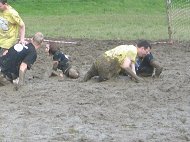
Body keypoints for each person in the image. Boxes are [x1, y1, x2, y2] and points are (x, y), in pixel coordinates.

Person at [83, 40, 152, 83]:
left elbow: (132, 64)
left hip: (100, 59)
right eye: (146, 52)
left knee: (90, 74)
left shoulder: (130, 47)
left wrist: (134, 75)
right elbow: (125, 66)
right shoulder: (133, 51)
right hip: (106, 64)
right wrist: (137, 78)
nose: (146, 54)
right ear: (142, 48)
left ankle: (82, 81)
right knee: (107, 81)